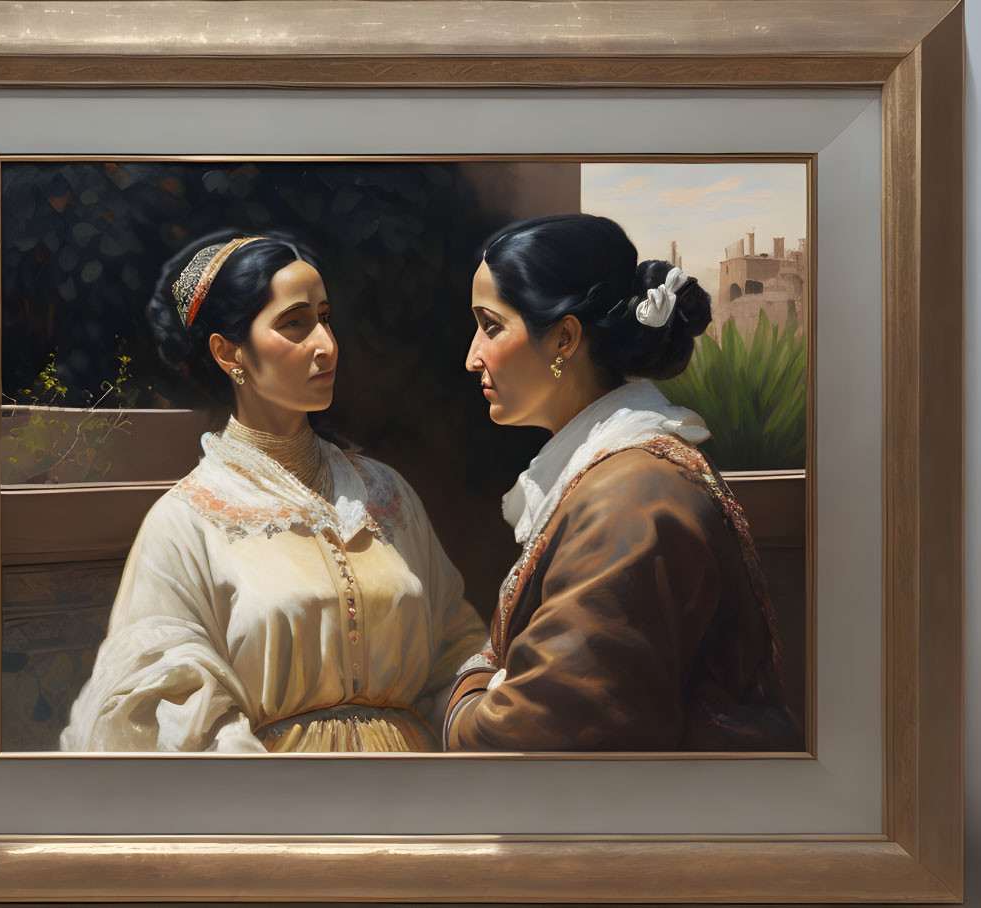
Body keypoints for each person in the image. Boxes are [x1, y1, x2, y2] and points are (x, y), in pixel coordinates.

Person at [60, 231, 487, 753]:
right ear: (228, 352)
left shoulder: (385, 494)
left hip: (418, 798)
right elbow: (161, 704)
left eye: (325, 318)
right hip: (281, 804)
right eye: (294, 324)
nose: (325, 345)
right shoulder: (187, 522)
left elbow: (456, 647)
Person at [444, 214, 802, 752]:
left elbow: (531, 733)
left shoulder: (631, 500)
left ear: (564, 338)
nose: (473, 356)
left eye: (490, 326)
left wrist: (468, 688)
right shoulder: (616, 472)